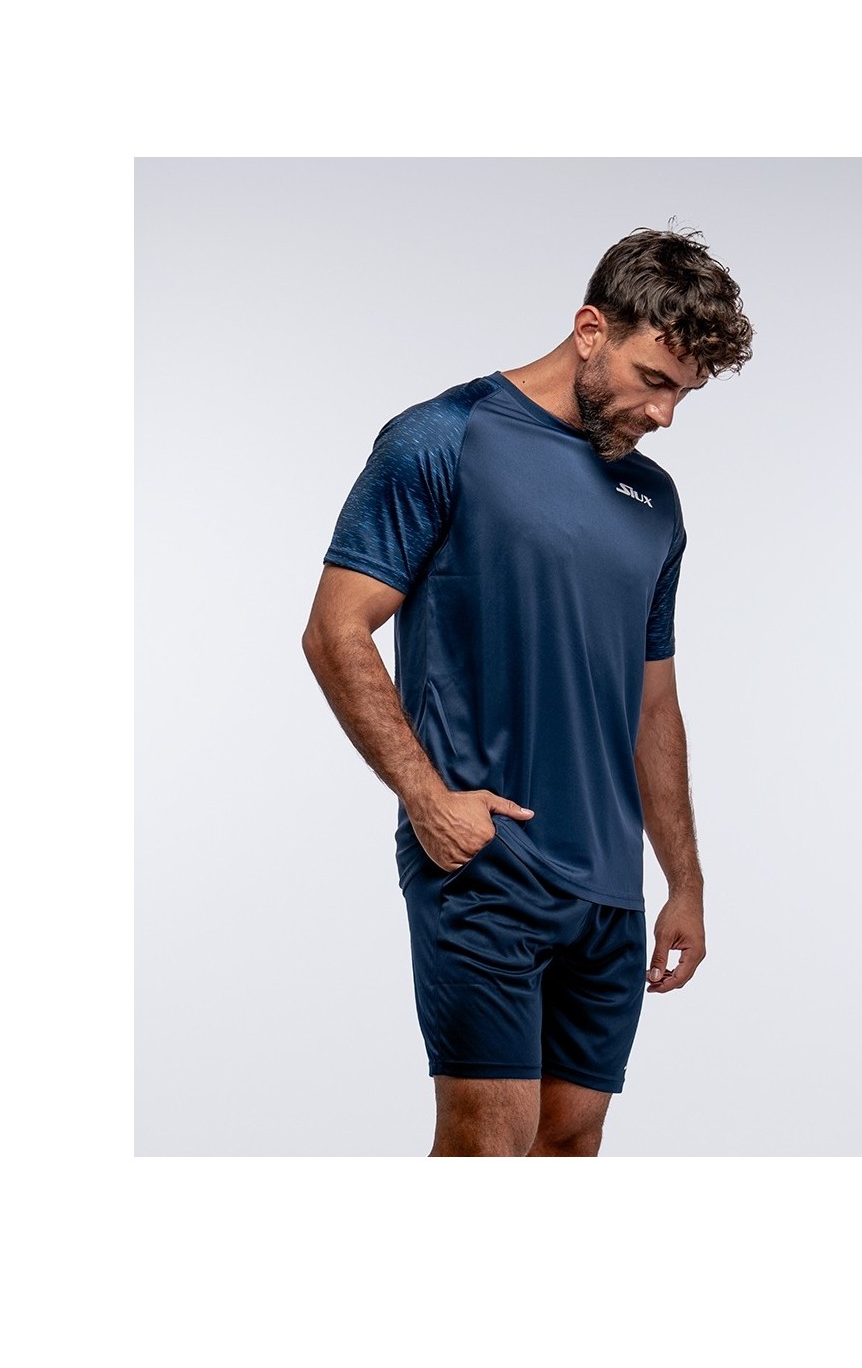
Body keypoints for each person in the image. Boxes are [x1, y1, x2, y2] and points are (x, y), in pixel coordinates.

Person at [302, 225, 753, 1155]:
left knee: (571, 1141)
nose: (664, 414)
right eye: (654, 379)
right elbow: (335, 629)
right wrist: (426, 799)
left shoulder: (656, 502)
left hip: (610, 889)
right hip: (488, 868)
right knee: (488, 1147)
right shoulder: (445, 436)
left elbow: (654, 707)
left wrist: (684, 881)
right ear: (590, 330)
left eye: (684, 393)